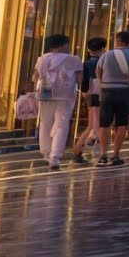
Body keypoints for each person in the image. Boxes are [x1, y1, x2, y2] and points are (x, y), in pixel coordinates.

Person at [33, 34, 83, 170]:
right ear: (62, 45)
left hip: (45, 95)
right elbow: (79, 79)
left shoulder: (42, 58)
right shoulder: (73, 59)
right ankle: (55, 156)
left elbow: (34, 78)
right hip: (65, 97)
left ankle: (46, 152)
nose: (69, 46)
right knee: (61, 124)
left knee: (45, 123)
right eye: (67, 44)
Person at [96, 31, 129, 166]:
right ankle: (116, 155)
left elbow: (98, 71)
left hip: (106, 91)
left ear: (118, 41)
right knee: (121, 123)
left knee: (104, 123)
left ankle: (103, 154)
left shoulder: (106, 55)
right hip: (124, 91)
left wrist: (103, 83)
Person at [72, 37, 106, 164]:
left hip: (92, 95)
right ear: (103, 48)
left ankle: (79, 149)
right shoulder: (105, 61)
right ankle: (80, 148)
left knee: (92, 124)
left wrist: (87, 97)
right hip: (103, 94)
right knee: (97, 125)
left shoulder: (87, 63)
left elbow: (84, 84)